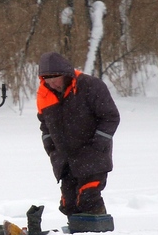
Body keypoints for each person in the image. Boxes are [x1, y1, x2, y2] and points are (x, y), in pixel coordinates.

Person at [36, 51, 121, 225]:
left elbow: (110, 117)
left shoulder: (91, 86)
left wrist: (98, 144)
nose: (52, 84)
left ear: (66, 74)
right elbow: (44, 125)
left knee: (89, 197)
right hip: (64, 160)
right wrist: (50, 148)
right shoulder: (44, 94)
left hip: (92, 156)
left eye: (56, 79)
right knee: (69, 203)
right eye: (47, 80)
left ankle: (99, 232)